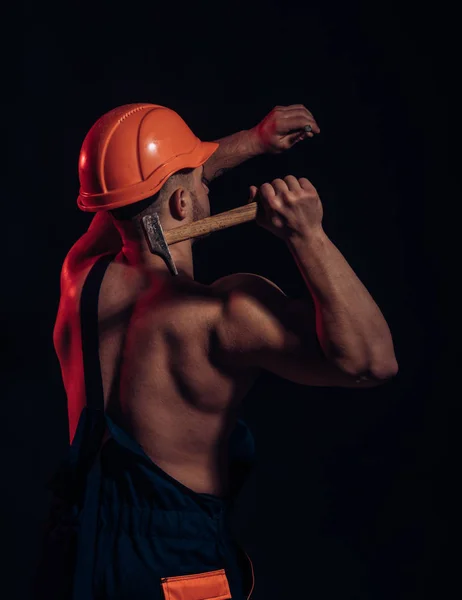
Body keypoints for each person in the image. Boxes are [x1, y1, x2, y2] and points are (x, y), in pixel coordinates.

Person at [35, 103, 398, 600]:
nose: (209, 182)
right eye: (200, 180)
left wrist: (256, 139)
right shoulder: (222, 316)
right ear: (184, 205)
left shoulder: (79, 279)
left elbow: (141, 193)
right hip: (174, 564)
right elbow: (372, 361)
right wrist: (307, 235)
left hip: (80, 553)